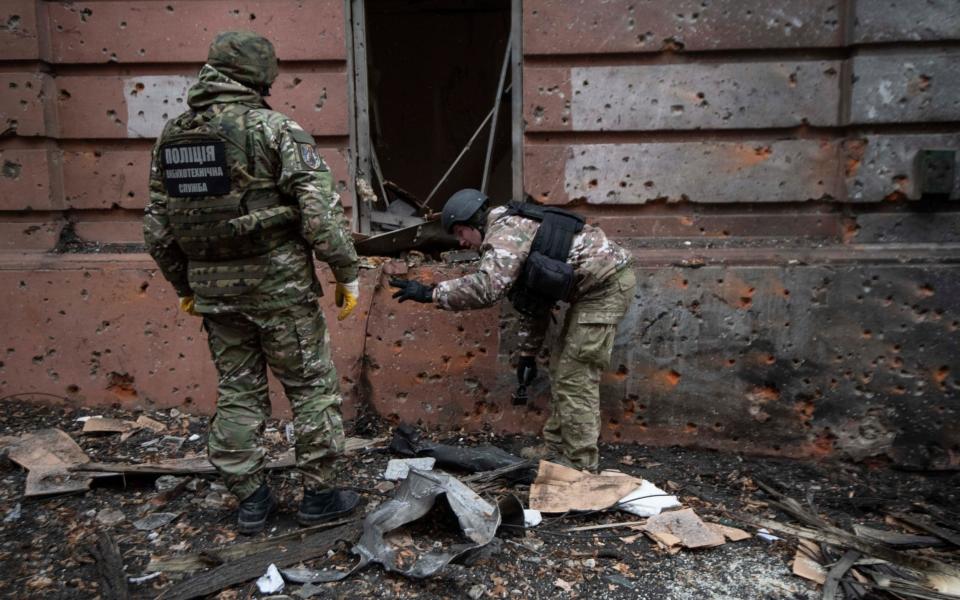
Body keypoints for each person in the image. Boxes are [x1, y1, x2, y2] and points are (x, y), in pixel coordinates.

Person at [144, 31, 361, 534]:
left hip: (215, 293)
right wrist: (345, 271)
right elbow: (320, 215)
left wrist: (185, 286)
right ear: (260, 76)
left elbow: (157, 228)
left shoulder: (173, 137)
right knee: (309, 387)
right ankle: (319, 496)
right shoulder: (275, 129)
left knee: (239, 392)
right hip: (278, 288)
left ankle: (252, 500)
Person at [390, 189, 636, 471]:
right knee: (561, 368)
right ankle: (557, 448)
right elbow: (535, 301)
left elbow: (488, 288)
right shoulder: (512, 229)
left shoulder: (505, 233)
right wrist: (528, 354)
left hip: (606, 287)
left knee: (575, 377)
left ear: (473, 223)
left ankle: (580, 465)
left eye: (460, 232)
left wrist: (430, 293)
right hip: (593, 289)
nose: (461, 241)